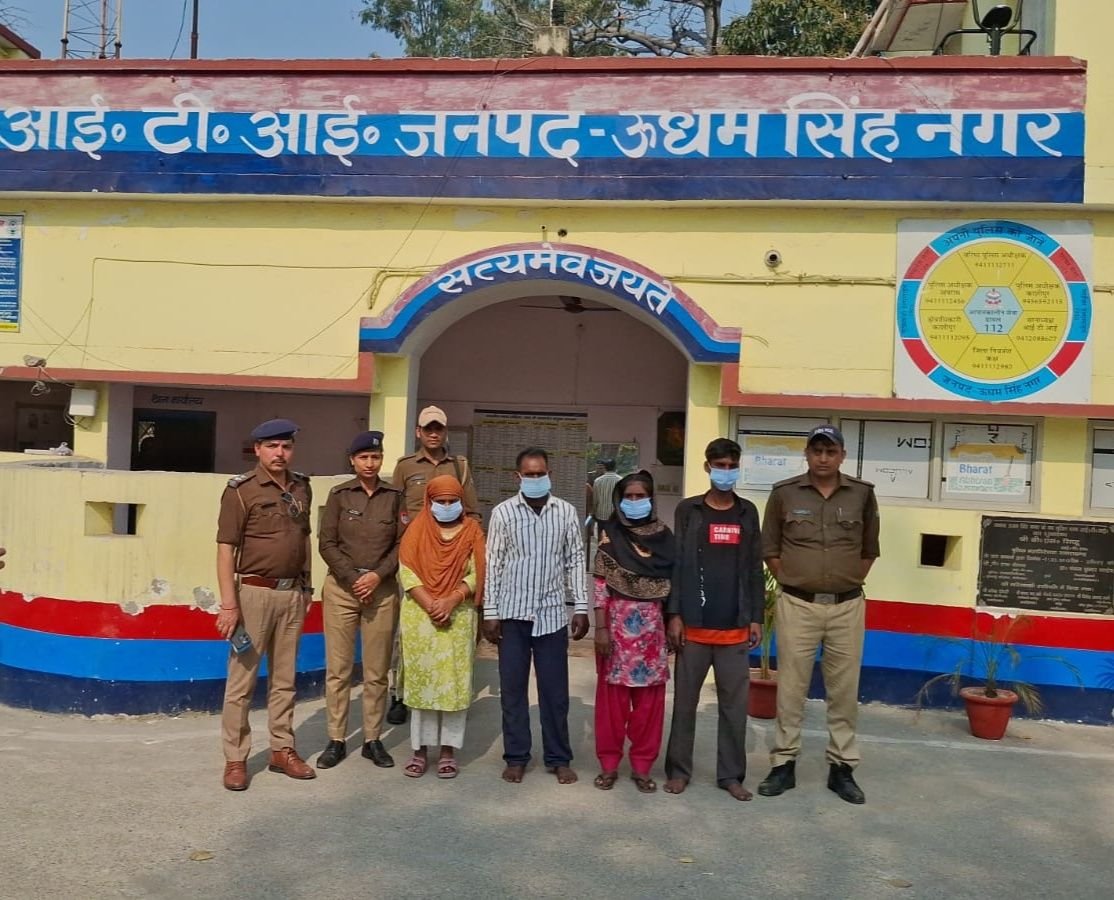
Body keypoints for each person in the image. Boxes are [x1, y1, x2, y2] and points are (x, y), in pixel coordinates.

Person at [757, 424, 880, 805]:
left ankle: (842, 768)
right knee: (791, 688)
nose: (823, 458)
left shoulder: (862, 494)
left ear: (842, 455)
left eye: (830, 451)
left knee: (843, 690)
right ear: (807, 454)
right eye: (816, 451)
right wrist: (796, 580)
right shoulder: (784, 493)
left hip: (847, 605)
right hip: (798, 604)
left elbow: (869, 550)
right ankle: (783, 764)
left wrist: (845, 581)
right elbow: (770, 548)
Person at [215, 418, 315, 792]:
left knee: (285, 681)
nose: (279, 453)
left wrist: (307, 586)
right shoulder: (240, 491)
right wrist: (229, 604)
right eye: (272, 446)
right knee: (241, 683)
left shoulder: (302, 487)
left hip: (292, 595)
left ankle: (282, 750)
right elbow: (226, 550)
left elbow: (304, 539)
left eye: (286, 446)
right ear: (257, 449)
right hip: (253, 595)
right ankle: (236, 758)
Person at [663, 438, 764, 802]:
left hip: (734, 628)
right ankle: (678, 771)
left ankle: (731, 775)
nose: (725, 472)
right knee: (684, 705)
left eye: (731, 466)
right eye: (719, 466)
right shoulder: (688, 510)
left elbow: (754, 567)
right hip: (693, 626)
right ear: (707, 467)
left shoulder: (747, 512)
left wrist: (756, 617)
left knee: (734, 709)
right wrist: (674, 614)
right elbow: (677, 563)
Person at [483, 447, 590, 784]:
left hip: (552, 616)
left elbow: (575, 560)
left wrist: (581, 606)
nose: (535, 479)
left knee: (555, 693)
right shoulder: (503, 513)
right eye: (529, 474)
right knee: (512, 690)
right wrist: (490, 611)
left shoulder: (566, 512)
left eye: (540, 473)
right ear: (517, 476)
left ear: (549, 474)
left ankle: (558, 758)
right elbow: (494, 563)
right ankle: (516, 757)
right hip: (512, 614)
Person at [316, 430, 403, 770]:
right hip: (342, 590)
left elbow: (402, 543)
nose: (370, 463)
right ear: (352, 460)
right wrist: (354, 578)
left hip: (380, 591)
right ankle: (336, 739)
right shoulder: (339, 495)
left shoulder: (394, 496)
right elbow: (327, 543)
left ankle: (372, 739)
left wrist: (376, 576)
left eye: (375, 457)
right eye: (363, 457)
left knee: (377, 671)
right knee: (338, 670)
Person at [389, 405, 480, 725]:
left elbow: (472, 511)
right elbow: (394, 511)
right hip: (415, 557)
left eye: (438, 428)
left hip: (452, 555)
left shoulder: (459, 466)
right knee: (407, 632)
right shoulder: (405, 466)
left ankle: (451, 692)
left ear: (445, 431)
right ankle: (399, 693)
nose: (433, 433)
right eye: (427, 428)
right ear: (418, 432)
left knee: (450, 629)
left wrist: (471, 551)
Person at [397, 475, 486, 778]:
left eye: (452, 501)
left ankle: (448, 751)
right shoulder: (416, 530)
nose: (447, 506)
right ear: (429, 501)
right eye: (441, 501)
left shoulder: (472, 531)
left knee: (454, 684)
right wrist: (431, 603)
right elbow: (407, 572)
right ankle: (420, 750)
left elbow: (478, 572)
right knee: (423, 683)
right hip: (420, 618)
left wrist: (451, 599)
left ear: (462, 502)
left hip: (458, 617)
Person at [591, 471, 674, 794]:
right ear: (619, 500)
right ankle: (609, 765)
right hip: (616, 631)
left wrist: (674, 621)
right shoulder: (610, 535)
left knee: (649, 706)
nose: (635, 502)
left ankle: (642, 766)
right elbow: (600, 584)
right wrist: (600, 628)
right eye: (630, 497)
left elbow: (675, 584)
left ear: (651, 499)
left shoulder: (665, 537)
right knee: (611, 706)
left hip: (652, 633)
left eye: (641, 496)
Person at [590, 458, 621, 539]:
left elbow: (595, 500)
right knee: (614, 539)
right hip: (615, 516)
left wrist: (593, 512)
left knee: (601, 540)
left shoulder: (598, 481)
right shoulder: (620, 480)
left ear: (605, 467)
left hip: (601, 515)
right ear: (615, 467)